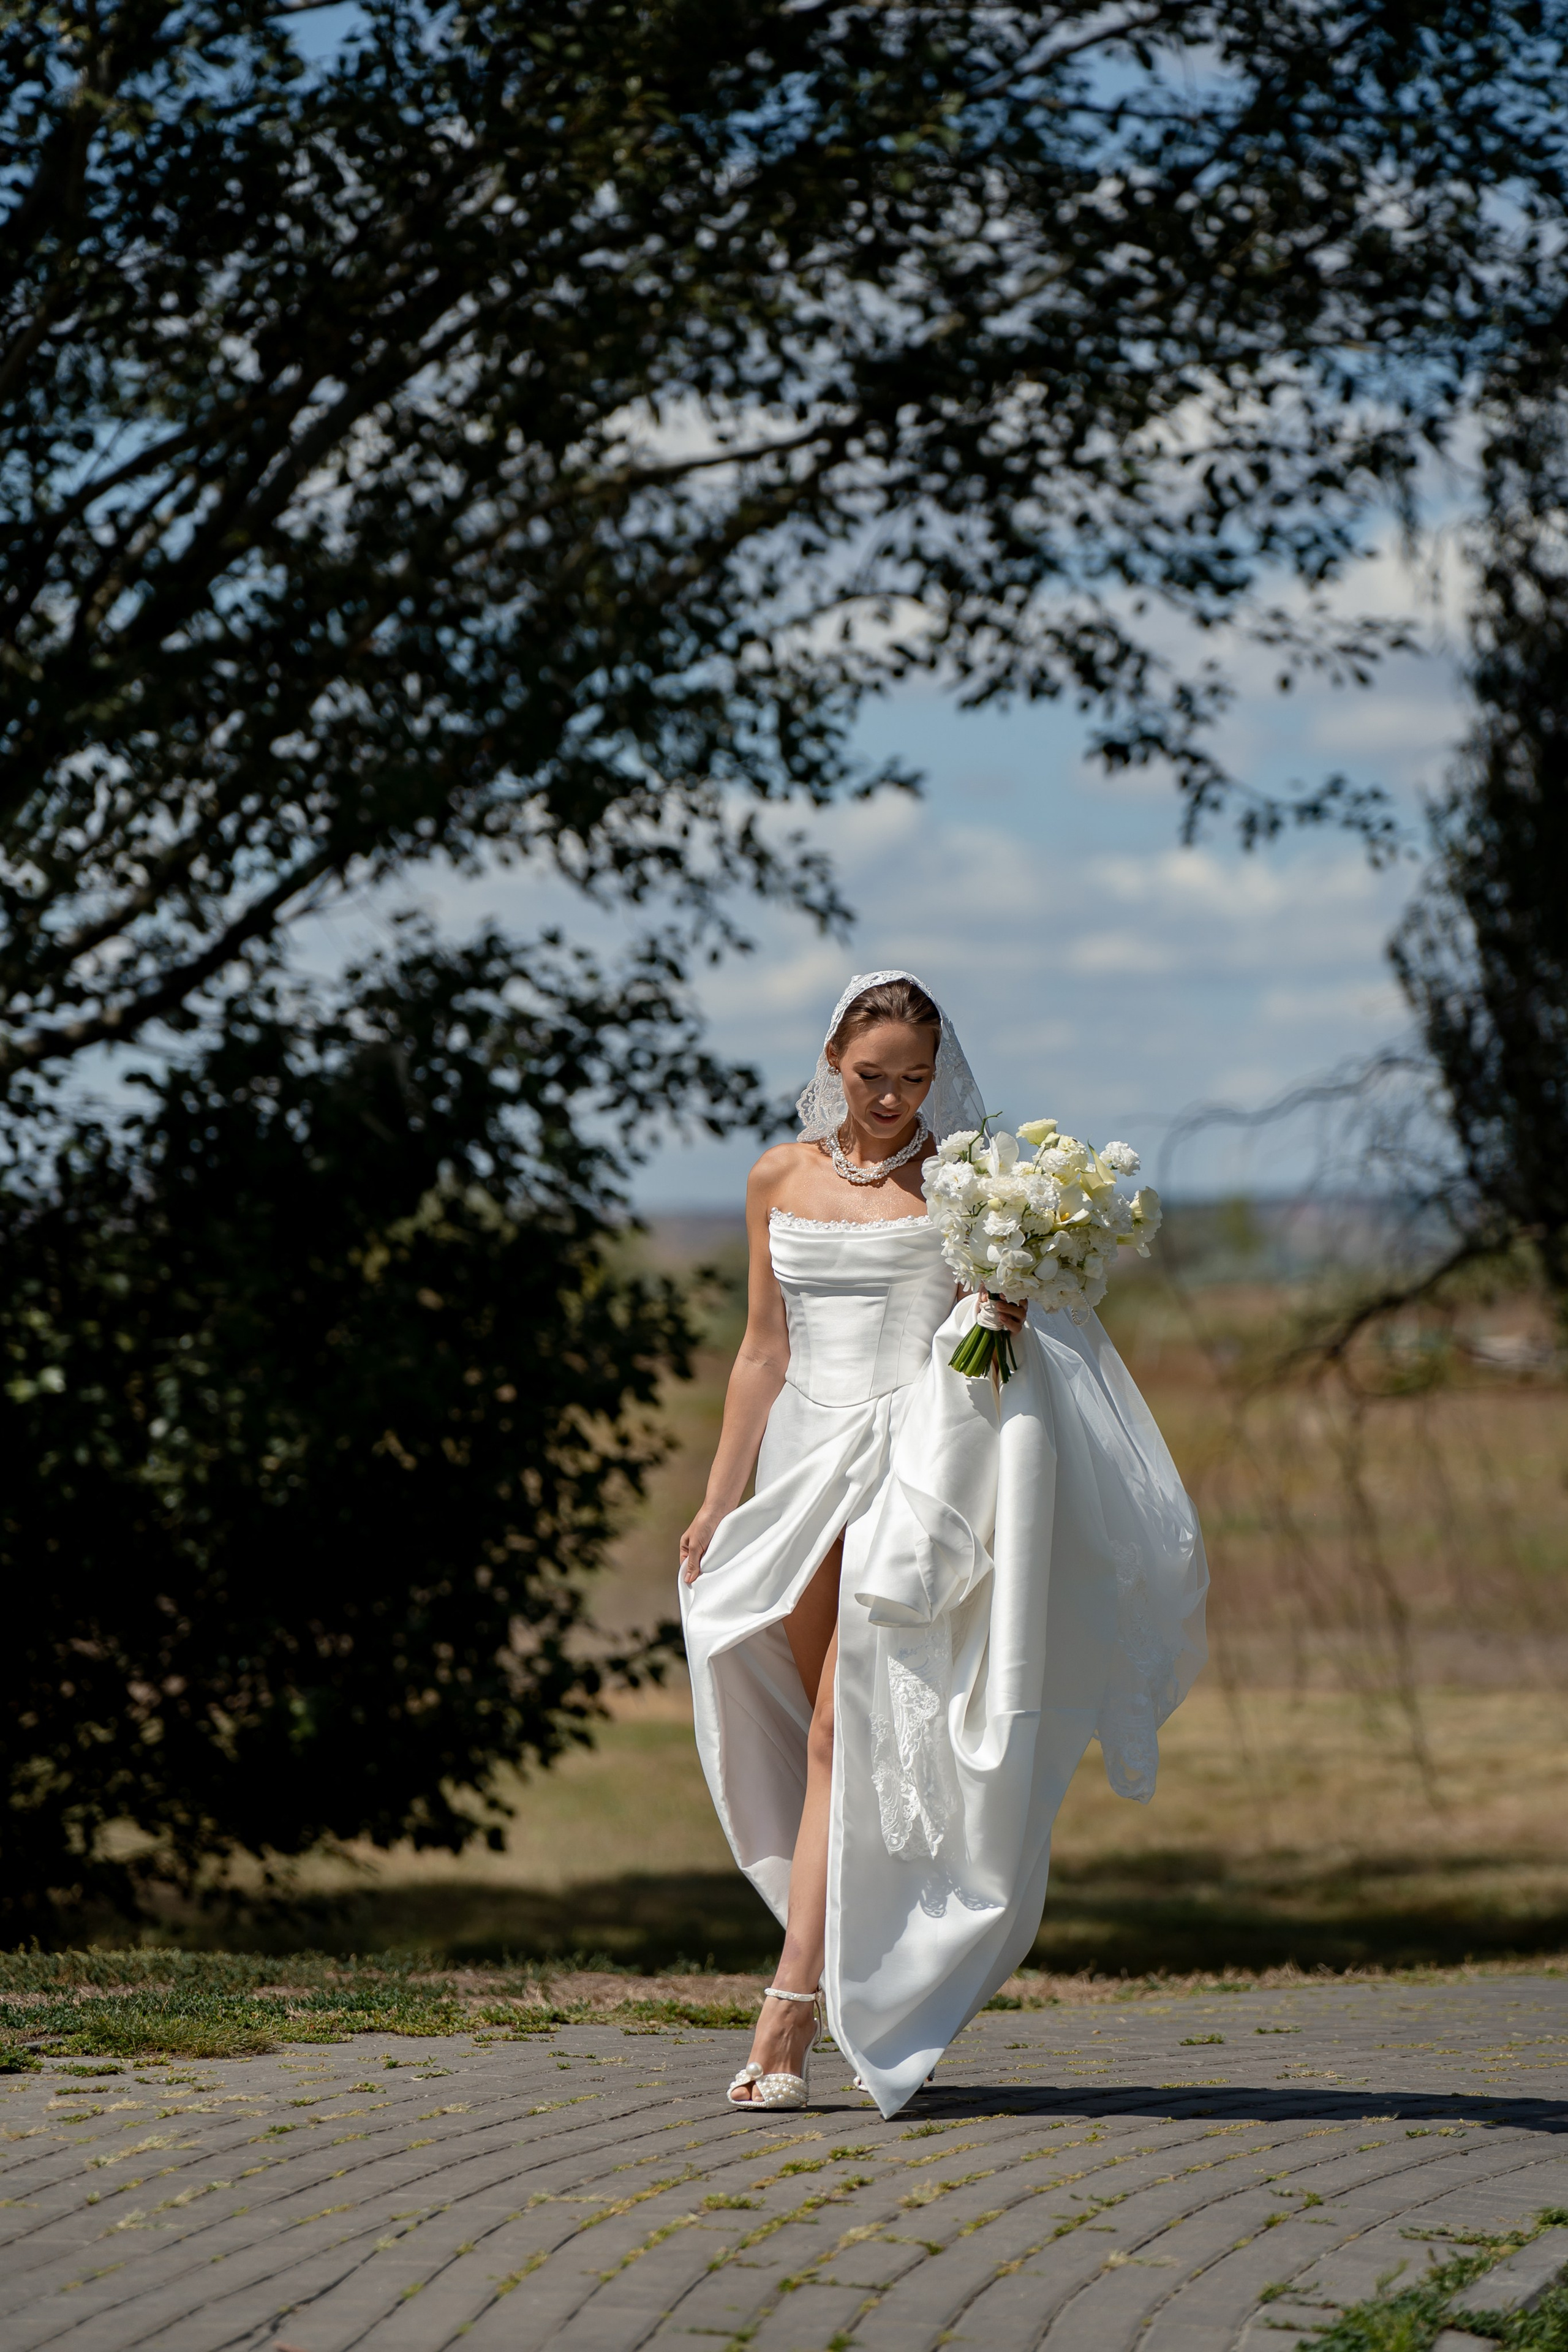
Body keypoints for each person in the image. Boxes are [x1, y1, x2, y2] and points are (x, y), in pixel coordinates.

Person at [679, 971, 1207, 2116]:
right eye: (873, 1077)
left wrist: (1009, 1304)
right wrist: (720, 1499)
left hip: (914, 1460)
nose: (893, 1100)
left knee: (844, 1721)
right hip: (799, 1465)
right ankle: (840, 1936)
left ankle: (789, 2008)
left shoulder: (966, 1183)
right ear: (832, 1060)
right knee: (814, 1714)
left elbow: (999, 1332)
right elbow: (762, 1353)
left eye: (915, 1078)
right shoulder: (778, 1175)